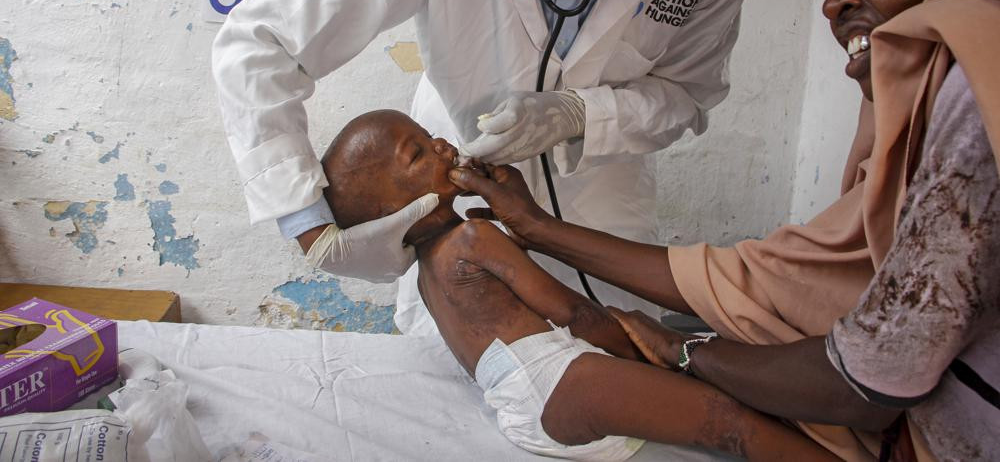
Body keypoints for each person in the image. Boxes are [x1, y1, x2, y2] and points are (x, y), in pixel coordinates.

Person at [450, 0, 1000, 460]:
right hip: (905, 417)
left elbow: (864, 379)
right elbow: (774, 279)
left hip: (919, 429)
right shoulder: (919, 112)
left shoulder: (975, 97)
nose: (833, 4)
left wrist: (684, 350)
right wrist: (538, 229)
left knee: (603, 387)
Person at [211, 0, 751, 326]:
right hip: (452, 215)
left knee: (613, 360)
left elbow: (686, 94)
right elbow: (259, 43)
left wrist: (577, 114)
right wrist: (311, 228)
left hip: (601, 198)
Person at [320, 109, 836, 461]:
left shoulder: (425, 276)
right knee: (731, 422)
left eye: (426, 134)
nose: (439, 143)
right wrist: (632, 345)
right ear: (394, 212)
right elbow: (572, 313)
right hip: (563, 385)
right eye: (417, 154)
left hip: (523, 409)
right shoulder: (475, 237)